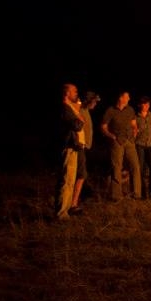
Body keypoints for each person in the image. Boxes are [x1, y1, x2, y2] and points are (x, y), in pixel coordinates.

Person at [100, 91, 141, 201]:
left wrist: (135, 132)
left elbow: (134, 124)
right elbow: (103, 127)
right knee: (116, 167)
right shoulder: (111, 110)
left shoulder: (130, 109)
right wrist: (111, 136)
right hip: (117, 141)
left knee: (135, 166)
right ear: (120, 98)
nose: (129, 98)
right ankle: (116, 195)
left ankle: (136, 193)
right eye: (127, 97)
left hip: (129, 141)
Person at [56, 83, 86, 220]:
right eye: (74, 91)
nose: (76, 93)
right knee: (67, 179)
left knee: (70, 179)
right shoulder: (66, 108)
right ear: (67, 93)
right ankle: (61, 213)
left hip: (74, 147)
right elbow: (77, 125)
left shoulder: (70, 108)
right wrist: (80, 117)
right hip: (69, 147)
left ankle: (65, 210)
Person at [70, 90, 100, 214]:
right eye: (94, 101)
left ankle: (76, 201)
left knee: (81, 174)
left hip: (85, 146)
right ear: (89, 101)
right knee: (81, 174)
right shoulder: (79, 110)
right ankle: (73, 204)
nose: (95, 104)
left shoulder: (86, 111)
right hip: (80, 146)